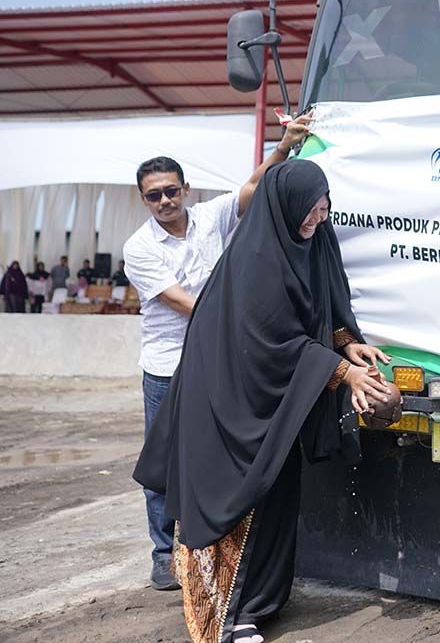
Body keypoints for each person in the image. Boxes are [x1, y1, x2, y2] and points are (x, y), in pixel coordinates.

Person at [135, 160, 392, 643]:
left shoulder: (312, 241)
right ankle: (226, 617)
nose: (317, 219)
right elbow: (274, 341)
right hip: (227, 403)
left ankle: (259, 605)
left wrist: (343, 340)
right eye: (309, 211)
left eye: (324, 208)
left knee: (276, 493)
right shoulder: (254, 262)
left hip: (272, 406)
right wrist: (344, 373)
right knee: (234, 499)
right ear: (284, 206)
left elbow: (318, 307)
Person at [124, 112, 313, 592]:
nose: (165, 201)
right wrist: (245, 325)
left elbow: (255, 188)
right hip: (168, 369)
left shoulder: (211, 216)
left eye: (171, 190)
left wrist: (286, 146)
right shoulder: (139, 248)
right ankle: (164, 553)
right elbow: (183, 303)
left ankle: (209, 548)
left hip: (218, 365)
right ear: (142, 199)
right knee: (163, 462)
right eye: (154, 195)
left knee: (214, 458)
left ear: (186, 189)